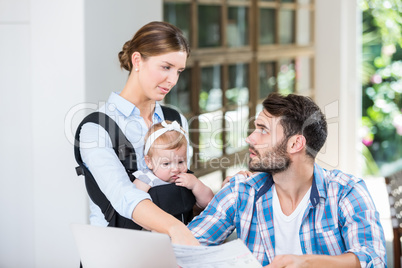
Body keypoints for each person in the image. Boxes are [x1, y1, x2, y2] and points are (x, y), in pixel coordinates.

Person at [188, 93, 387, 267]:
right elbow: (186, 249)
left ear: (295, 144)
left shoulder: (346, 192)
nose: (250, 138)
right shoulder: (241, 191)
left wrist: (307, 263)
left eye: (263, 130)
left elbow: (373, 259)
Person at [78, 21, 199, 245]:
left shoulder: (175, 119)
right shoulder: (96, 129)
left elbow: (181, 185)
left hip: (172, 252)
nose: (173, 80)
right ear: (137, 61)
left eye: (179, 71)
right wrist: (175, 228)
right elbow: (125, 197)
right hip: (116, 252)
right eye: (166, 67)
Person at [133, 120, 214, 210]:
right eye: (166, 163)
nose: (175, 169)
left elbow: (209, 202)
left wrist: (196, 185)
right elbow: (132, 205)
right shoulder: (146, 179)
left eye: (180, 162)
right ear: (149, 162)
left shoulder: (187, 178)